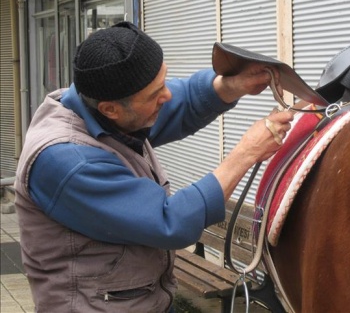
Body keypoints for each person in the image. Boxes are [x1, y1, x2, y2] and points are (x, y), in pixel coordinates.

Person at [14, 21, 293, 312]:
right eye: (155, 94)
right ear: (111, 109)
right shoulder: (68, 160)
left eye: (163, 82)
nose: (167, 96)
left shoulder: (99, 105)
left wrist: (230, 86)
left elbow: (179, 102)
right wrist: (246, 153)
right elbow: (169, 222)